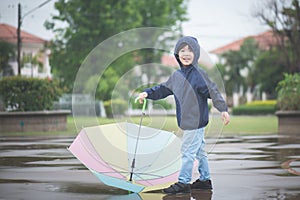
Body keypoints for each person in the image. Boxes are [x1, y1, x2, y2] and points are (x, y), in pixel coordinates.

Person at [138, 36, 230, 194]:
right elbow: (163, 89)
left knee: (187, 151)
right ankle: (205, 180)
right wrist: (147, 93)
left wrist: (222, 108)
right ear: (177, 54)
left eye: (190, 50)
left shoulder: (199, 75)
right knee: (200, 152)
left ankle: (183, 182)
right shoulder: (176, 76)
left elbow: (212, 90)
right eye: (182, 50)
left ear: (196, 54)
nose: (186, 54)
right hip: (187, 122)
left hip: (195, 122)